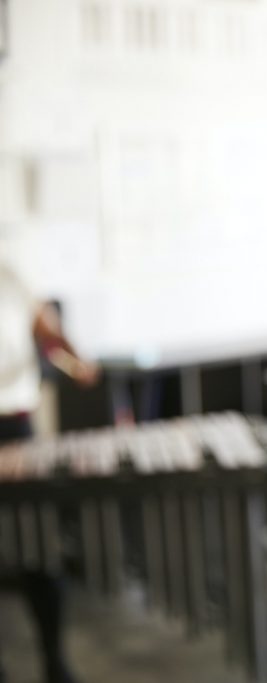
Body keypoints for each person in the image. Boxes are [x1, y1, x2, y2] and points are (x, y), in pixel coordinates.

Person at [1, 255, 96, 683]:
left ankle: (55, 663)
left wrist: (75, 356)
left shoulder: (9, 269)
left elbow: (47, 330)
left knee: (38, 546)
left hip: (16, 423)